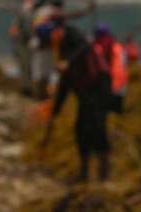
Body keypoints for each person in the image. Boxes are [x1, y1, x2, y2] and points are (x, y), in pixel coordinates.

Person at [40, 25, 112, 183]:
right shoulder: (60, 53)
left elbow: (84, 45)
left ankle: (104, 171)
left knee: (98, 127)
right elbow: (63, 87)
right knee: (81, 130)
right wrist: (55, 112)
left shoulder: (71, 36)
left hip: (99, 87)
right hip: (85, 94)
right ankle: (84, 171)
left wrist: (68, 61)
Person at [93, 24, 129, 114]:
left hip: (109, 82)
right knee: (118, 110)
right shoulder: (118, 47)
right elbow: (125, 61)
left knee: (107, 111)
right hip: (122, 81)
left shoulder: (98, 47)